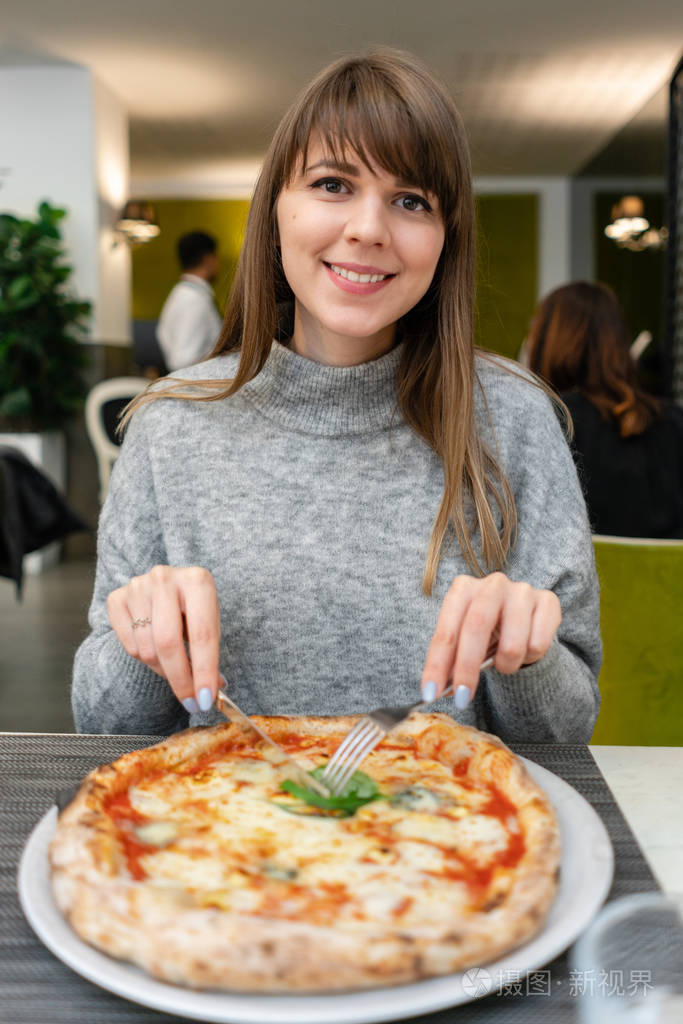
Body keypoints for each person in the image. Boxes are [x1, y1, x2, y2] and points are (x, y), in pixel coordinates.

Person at [72, 49, 601, 742]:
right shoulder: (171, 423)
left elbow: (566, 736)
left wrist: (524, 656)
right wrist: (141, 642)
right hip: (215, 831)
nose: (368, 229)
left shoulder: (517, 420)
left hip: (454, 834)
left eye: (411, 201)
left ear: (445, 241)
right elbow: (100, 722)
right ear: (274, 214)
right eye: (331, 184)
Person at [526, 281, 683, 538]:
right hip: (670, 578)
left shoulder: (549, 421)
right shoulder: (674, 422)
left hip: (582, 578)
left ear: (547, 340)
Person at [156, 231, 222, 371]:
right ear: (208, 259)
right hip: (196, 387)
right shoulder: (194, 300)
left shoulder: (180, 295)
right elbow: (182, 360)